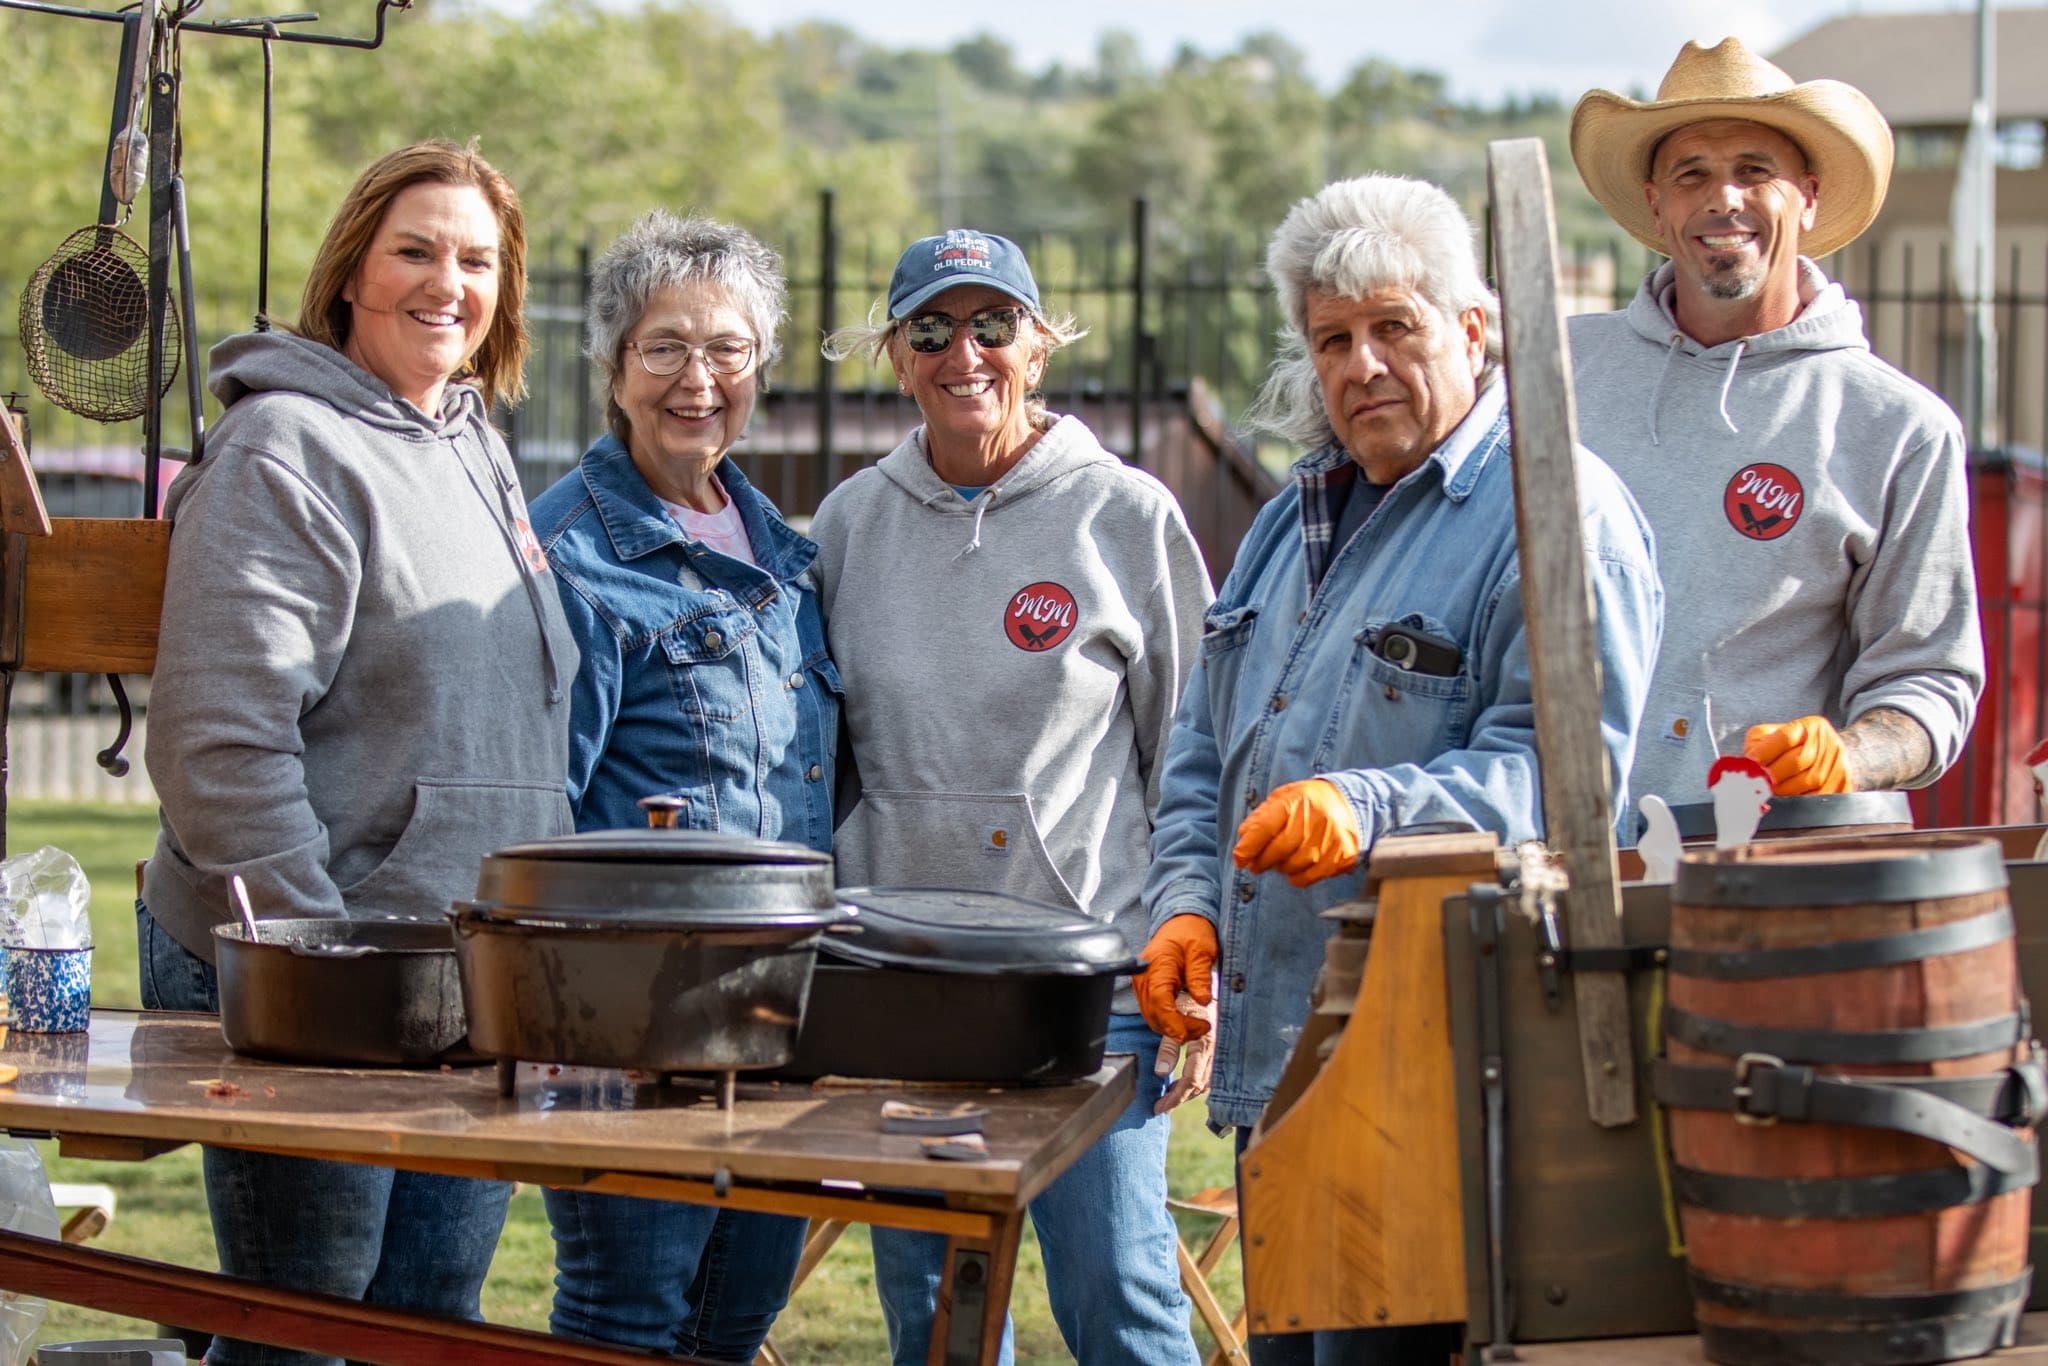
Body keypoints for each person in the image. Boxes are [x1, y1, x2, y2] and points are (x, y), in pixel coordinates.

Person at [1137, 175, 1663, 1365]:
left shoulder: (1555, 513)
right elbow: (1203, 745)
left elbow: (1562, 781)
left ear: (1471, 327)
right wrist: (1182, 898)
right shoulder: (1290, 517)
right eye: (1333, 338)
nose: (1361, 364)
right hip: (1281, 1063)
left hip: (1443, 1076)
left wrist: (1364, 808)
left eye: (1393, 327)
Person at [139, 140, 575, 1366]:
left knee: (427, 1327)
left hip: (457, 978)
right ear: (349, 274)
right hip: (316, 971)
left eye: (478, 259)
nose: (450, 281)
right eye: (416, 250)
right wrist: (312, 956)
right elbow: (219, 740)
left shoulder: (471, 445)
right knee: (303, 1333)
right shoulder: (288, 446)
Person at [813, 229, 1212, 1366]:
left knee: (1121, 1305)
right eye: (931, 330)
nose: (964, 354)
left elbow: (1191, 748)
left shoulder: (1124, 514)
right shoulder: (847, 523)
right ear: (896, 357)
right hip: (905, 987)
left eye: (993, 326)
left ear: (1038, 346)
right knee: (933, 1320)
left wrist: (1194, 944)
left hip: (1088, 984)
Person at [526, 210, 830, 1360]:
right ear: (613, 366)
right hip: (633, 1026)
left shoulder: (783, 556)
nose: (697, 380)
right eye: (664, 347)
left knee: (736, 1312)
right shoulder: (570, 555)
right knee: (628, 1316)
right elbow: (544, 807)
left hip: (775, 1013)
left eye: (727, 349)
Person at [1568, 37, 1983, 810]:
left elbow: (1931, 680)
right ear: (1657, 206)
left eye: (1755, 171)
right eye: (1692, 174)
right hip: (1567, 853)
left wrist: (1849, 757)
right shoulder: (1559, 375)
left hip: (1782, 868)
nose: (1723, 198)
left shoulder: (1900, 427)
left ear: (1809, 198)